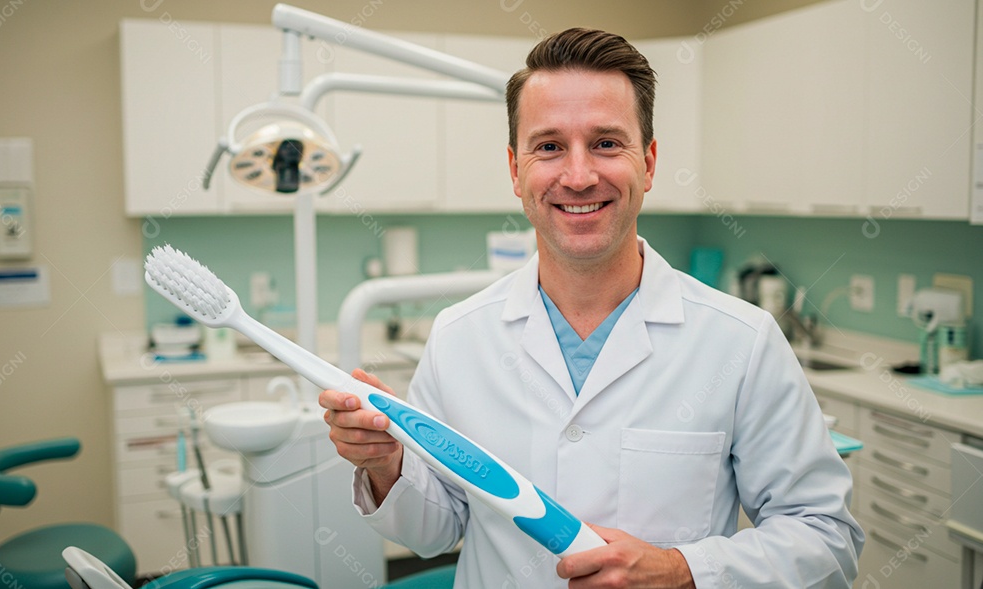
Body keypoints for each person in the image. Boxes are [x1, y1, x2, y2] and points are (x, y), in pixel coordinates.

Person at [320, 27, 864, 588]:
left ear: (649, 163)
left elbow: (828, 537)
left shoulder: (742, 342)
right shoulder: (460, 335)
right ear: (515, 169)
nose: (578, 177)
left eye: (606, 143)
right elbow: (436, 528)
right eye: (549, 146)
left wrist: (683, 571)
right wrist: (387, 465)